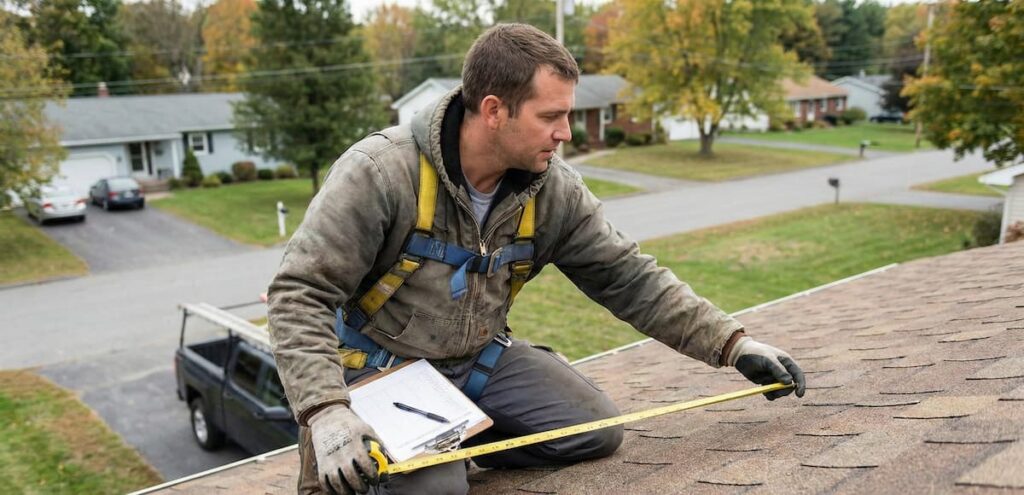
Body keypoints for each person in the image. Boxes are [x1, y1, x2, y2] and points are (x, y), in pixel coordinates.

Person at [267, 23, 806, 495]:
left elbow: (629, 277)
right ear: (494, 111)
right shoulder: (380, 174)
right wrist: (325, 411)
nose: (566, 133)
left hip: (476, 362)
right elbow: (299, 295)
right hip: (380, 369)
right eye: (552, 116)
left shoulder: (552, 192)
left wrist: (732, 345)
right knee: (435, 489)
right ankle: (407, 458)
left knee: (594, 429)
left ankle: (459, 432)